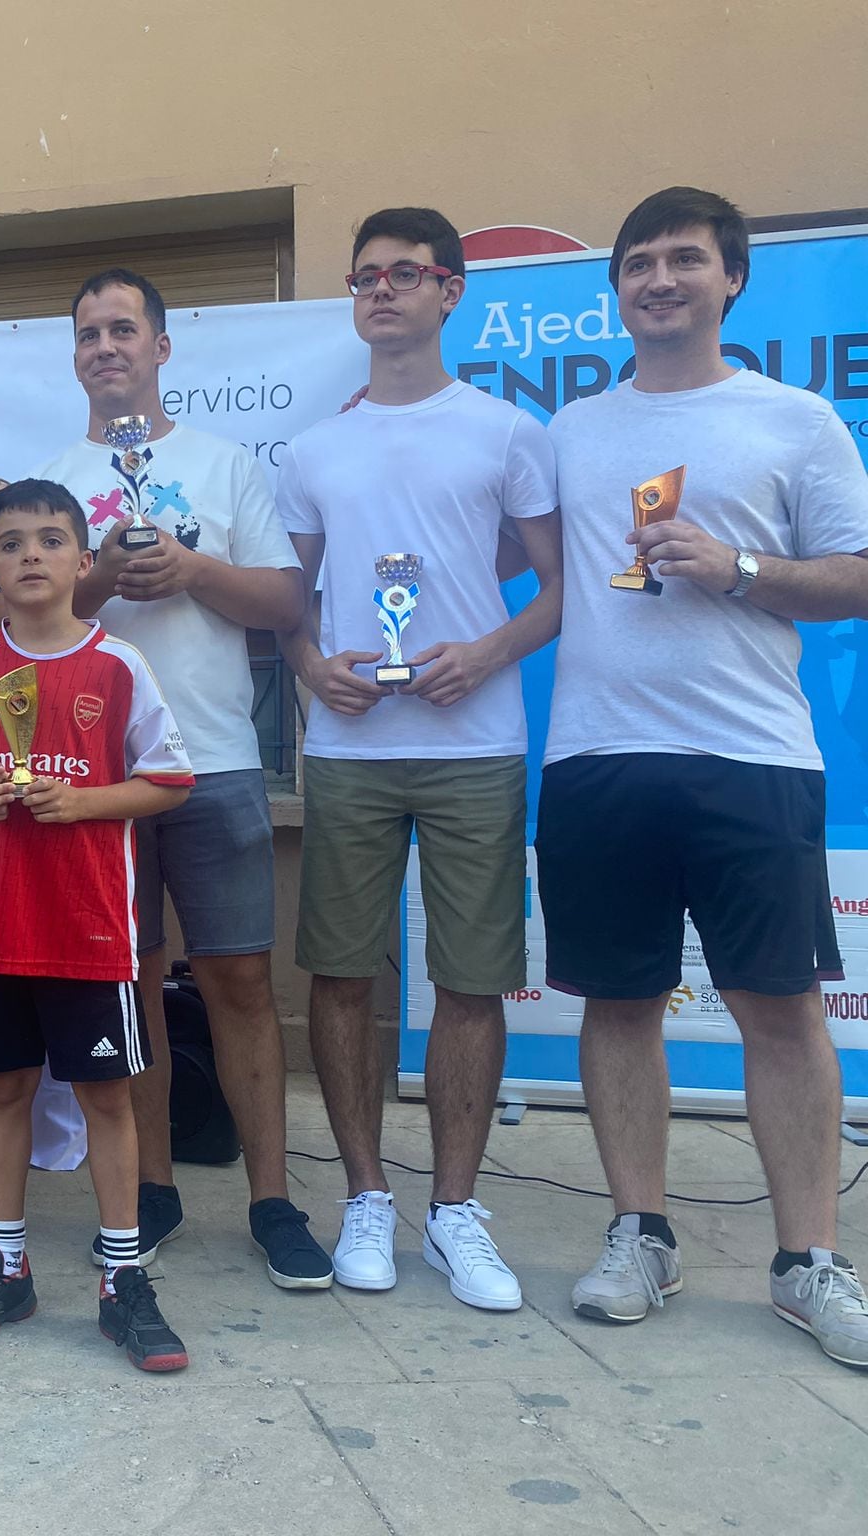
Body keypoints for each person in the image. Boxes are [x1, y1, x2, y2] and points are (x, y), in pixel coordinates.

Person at [537, 187, 868, 1365]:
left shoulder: (794, 419)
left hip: (751, 756)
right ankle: (639, 1231)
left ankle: (808, 1261)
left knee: (777, 1010)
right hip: (594, 755)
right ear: (614, 289)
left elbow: (858, 576)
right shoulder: (571, 429)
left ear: (730, 279)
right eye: (638, 262)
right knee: (616, 1003)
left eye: (684, 259)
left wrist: (735, 567)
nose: (659, 278)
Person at [276, 208, 565, 1310]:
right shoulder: (313, 448)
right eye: (363, 277)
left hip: (472, 742)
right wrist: (309, 668)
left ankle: (451, 1211)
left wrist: (486, 652)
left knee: (469, 976)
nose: (381, 292)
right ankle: (363, 1199)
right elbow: (287, 610)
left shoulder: (503, 432)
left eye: (403, 274)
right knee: (342, 976)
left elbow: (555, 588)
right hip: (347, 746)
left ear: (449, 291)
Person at [33, 269, 327, 1288]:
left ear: (161, 347)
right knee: (130, 984)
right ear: (73, 356)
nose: (104, 347)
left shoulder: (224, 465)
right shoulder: (52, 483)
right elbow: (21, 623)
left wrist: (193, 571)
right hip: (96, 776)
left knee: (239, 979)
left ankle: (272, 1200)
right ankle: (149, 1189)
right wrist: (104, 575)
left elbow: (285, 604)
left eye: (122, 330)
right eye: (87, 334)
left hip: (212, 763)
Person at [0, 480, 196, 1372]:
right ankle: (4, 1261)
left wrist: (80, 803)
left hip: (90, 930)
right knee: (3, 1092)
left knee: (105, 1098)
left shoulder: (120, 666)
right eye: (11, 543)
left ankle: (123, 1275)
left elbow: (166, 780)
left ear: (85, 560)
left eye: (49, 540)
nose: (30, 555)